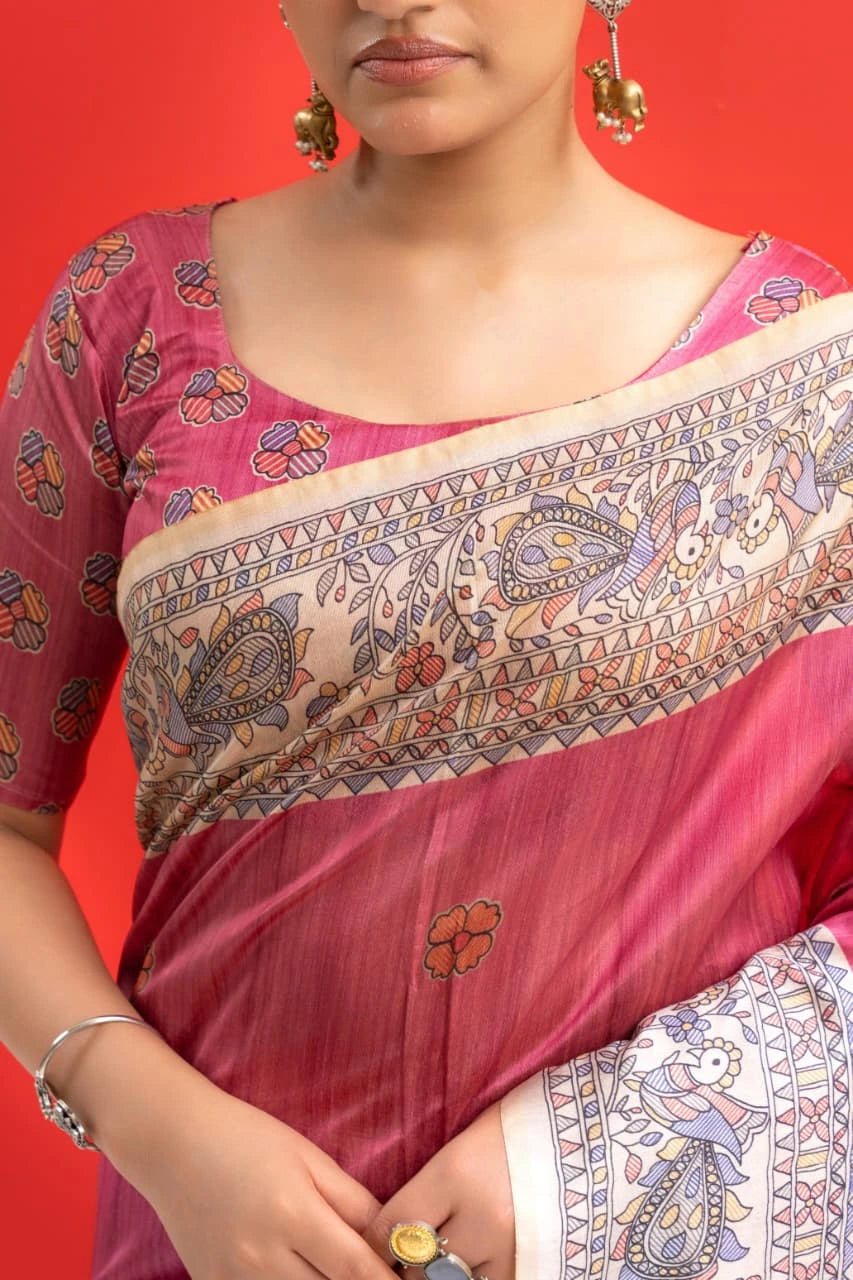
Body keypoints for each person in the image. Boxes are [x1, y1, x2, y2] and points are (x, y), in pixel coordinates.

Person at [1, 1, 851, 1278]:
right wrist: (153, 1120)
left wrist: (587, 1163)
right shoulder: (131, 319)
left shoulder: (805, 366)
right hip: (213, 1243)